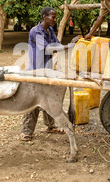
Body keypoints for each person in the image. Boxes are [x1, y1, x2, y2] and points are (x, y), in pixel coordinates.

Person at [21, 7, 74, 141]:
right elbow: (47, 48)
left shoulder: (49, 30)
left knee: (49, 99)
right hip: (35, 72)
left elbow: (56, 45)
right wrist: (69, 45)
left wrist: (66, 46)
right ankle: (26, 131)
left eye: (56, 18)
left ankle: (50, 126)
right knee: (33, 102)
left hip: (47, 71)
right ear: (44, 17)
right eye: (53, 17)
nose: (55, 20)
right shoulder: (35, 31)